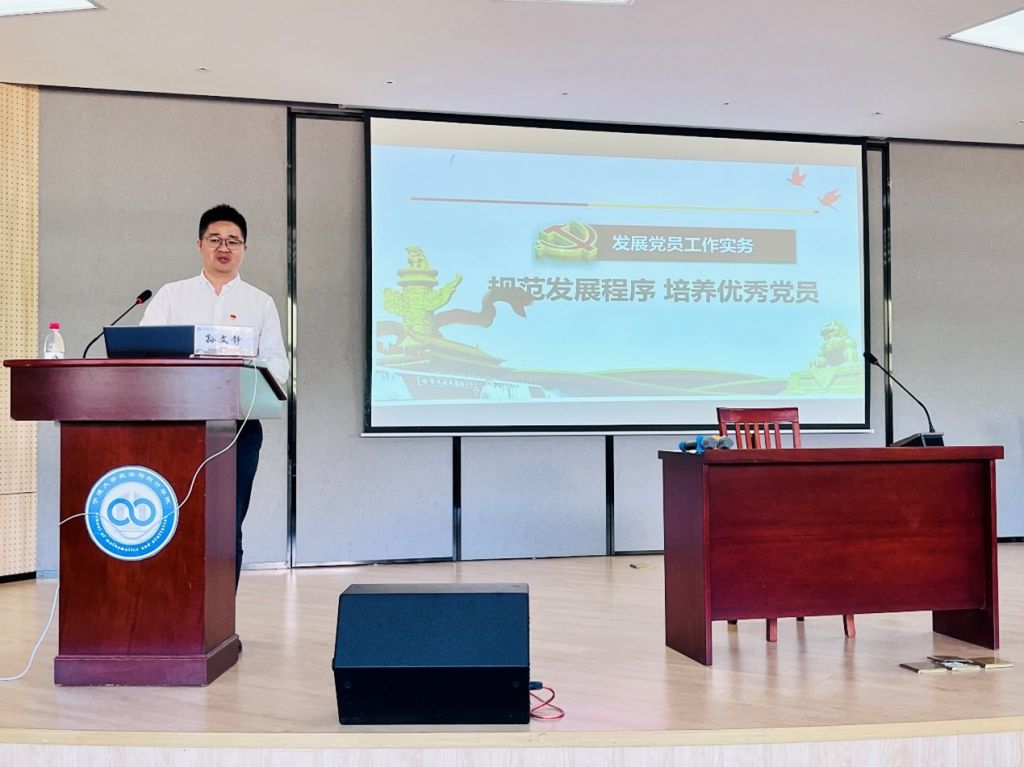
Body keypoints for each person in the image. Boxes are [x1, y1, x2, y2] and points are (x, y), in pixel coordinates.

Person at [141, 204, 288, 589]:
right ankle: (174, 609)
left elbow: (278, 364)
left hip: (238, 427)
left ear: (244, 249)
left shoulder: (260, 302)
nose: (224, 248)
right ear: (200, 244)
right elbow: (143, 351)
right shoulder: (172, 296)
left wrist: (248, 368)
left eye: (233, 241)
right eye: (215, 239)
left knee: (227, 523)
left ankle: (221, 614)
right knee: (173, 520)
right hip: (176, 426)